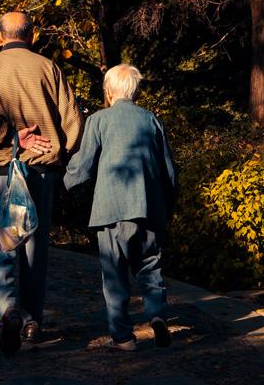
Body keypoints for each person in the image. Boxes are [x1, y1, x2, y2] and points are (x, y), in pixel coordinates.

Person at [0, 12, 84, 354]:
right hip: (40, 171)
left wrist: (11, 136)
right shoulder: (50, 69)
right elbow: (73, 122)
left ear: (0, 38)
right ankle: (32, 322)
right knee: (34, 248)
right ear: (33, 37)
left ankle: (9, 309)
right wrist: (58, 154)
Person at [63, 64, 177, 351]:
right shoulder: (152, 120)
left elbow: (83, 166)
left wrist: (64, 183)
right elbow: (169, 172)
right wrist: (167, 206)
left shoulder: (99, 120)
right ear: (136, 91)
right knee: (150, 266)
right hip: (148, 208)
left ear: (108, 91)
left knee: (114, 274)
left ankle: (123, 337)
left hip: (110, 209)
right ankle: (158, 315)